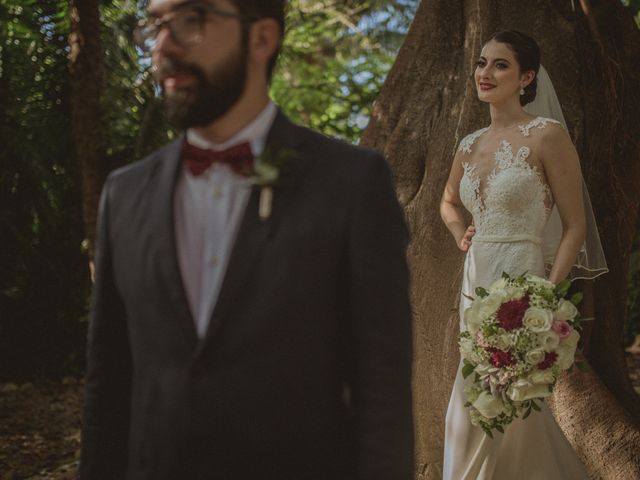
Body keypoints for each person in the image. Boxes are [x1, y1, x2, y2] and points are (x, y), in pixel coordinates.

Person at [78, 1, 414, 479]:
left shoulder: (352, 184)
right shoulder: (123, 194)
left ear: (261, 38)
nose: (163, 45)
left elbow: (382, 392)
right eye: (154, 25)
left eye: (190, 20)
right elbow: (107, 387)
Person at [440, 30, 606, 479]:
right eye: (481, 63)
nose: (485, 73)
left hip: (524, 279)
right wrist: (461, 235)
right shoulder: (469, 144)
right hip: (475, 278)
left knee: (516, 394)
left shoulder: (546, 135)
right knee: (474, 383)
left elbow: (575, 226)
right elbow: (447, 201)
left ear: (526, 77)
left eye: (500, 65)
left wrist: (547, 292)